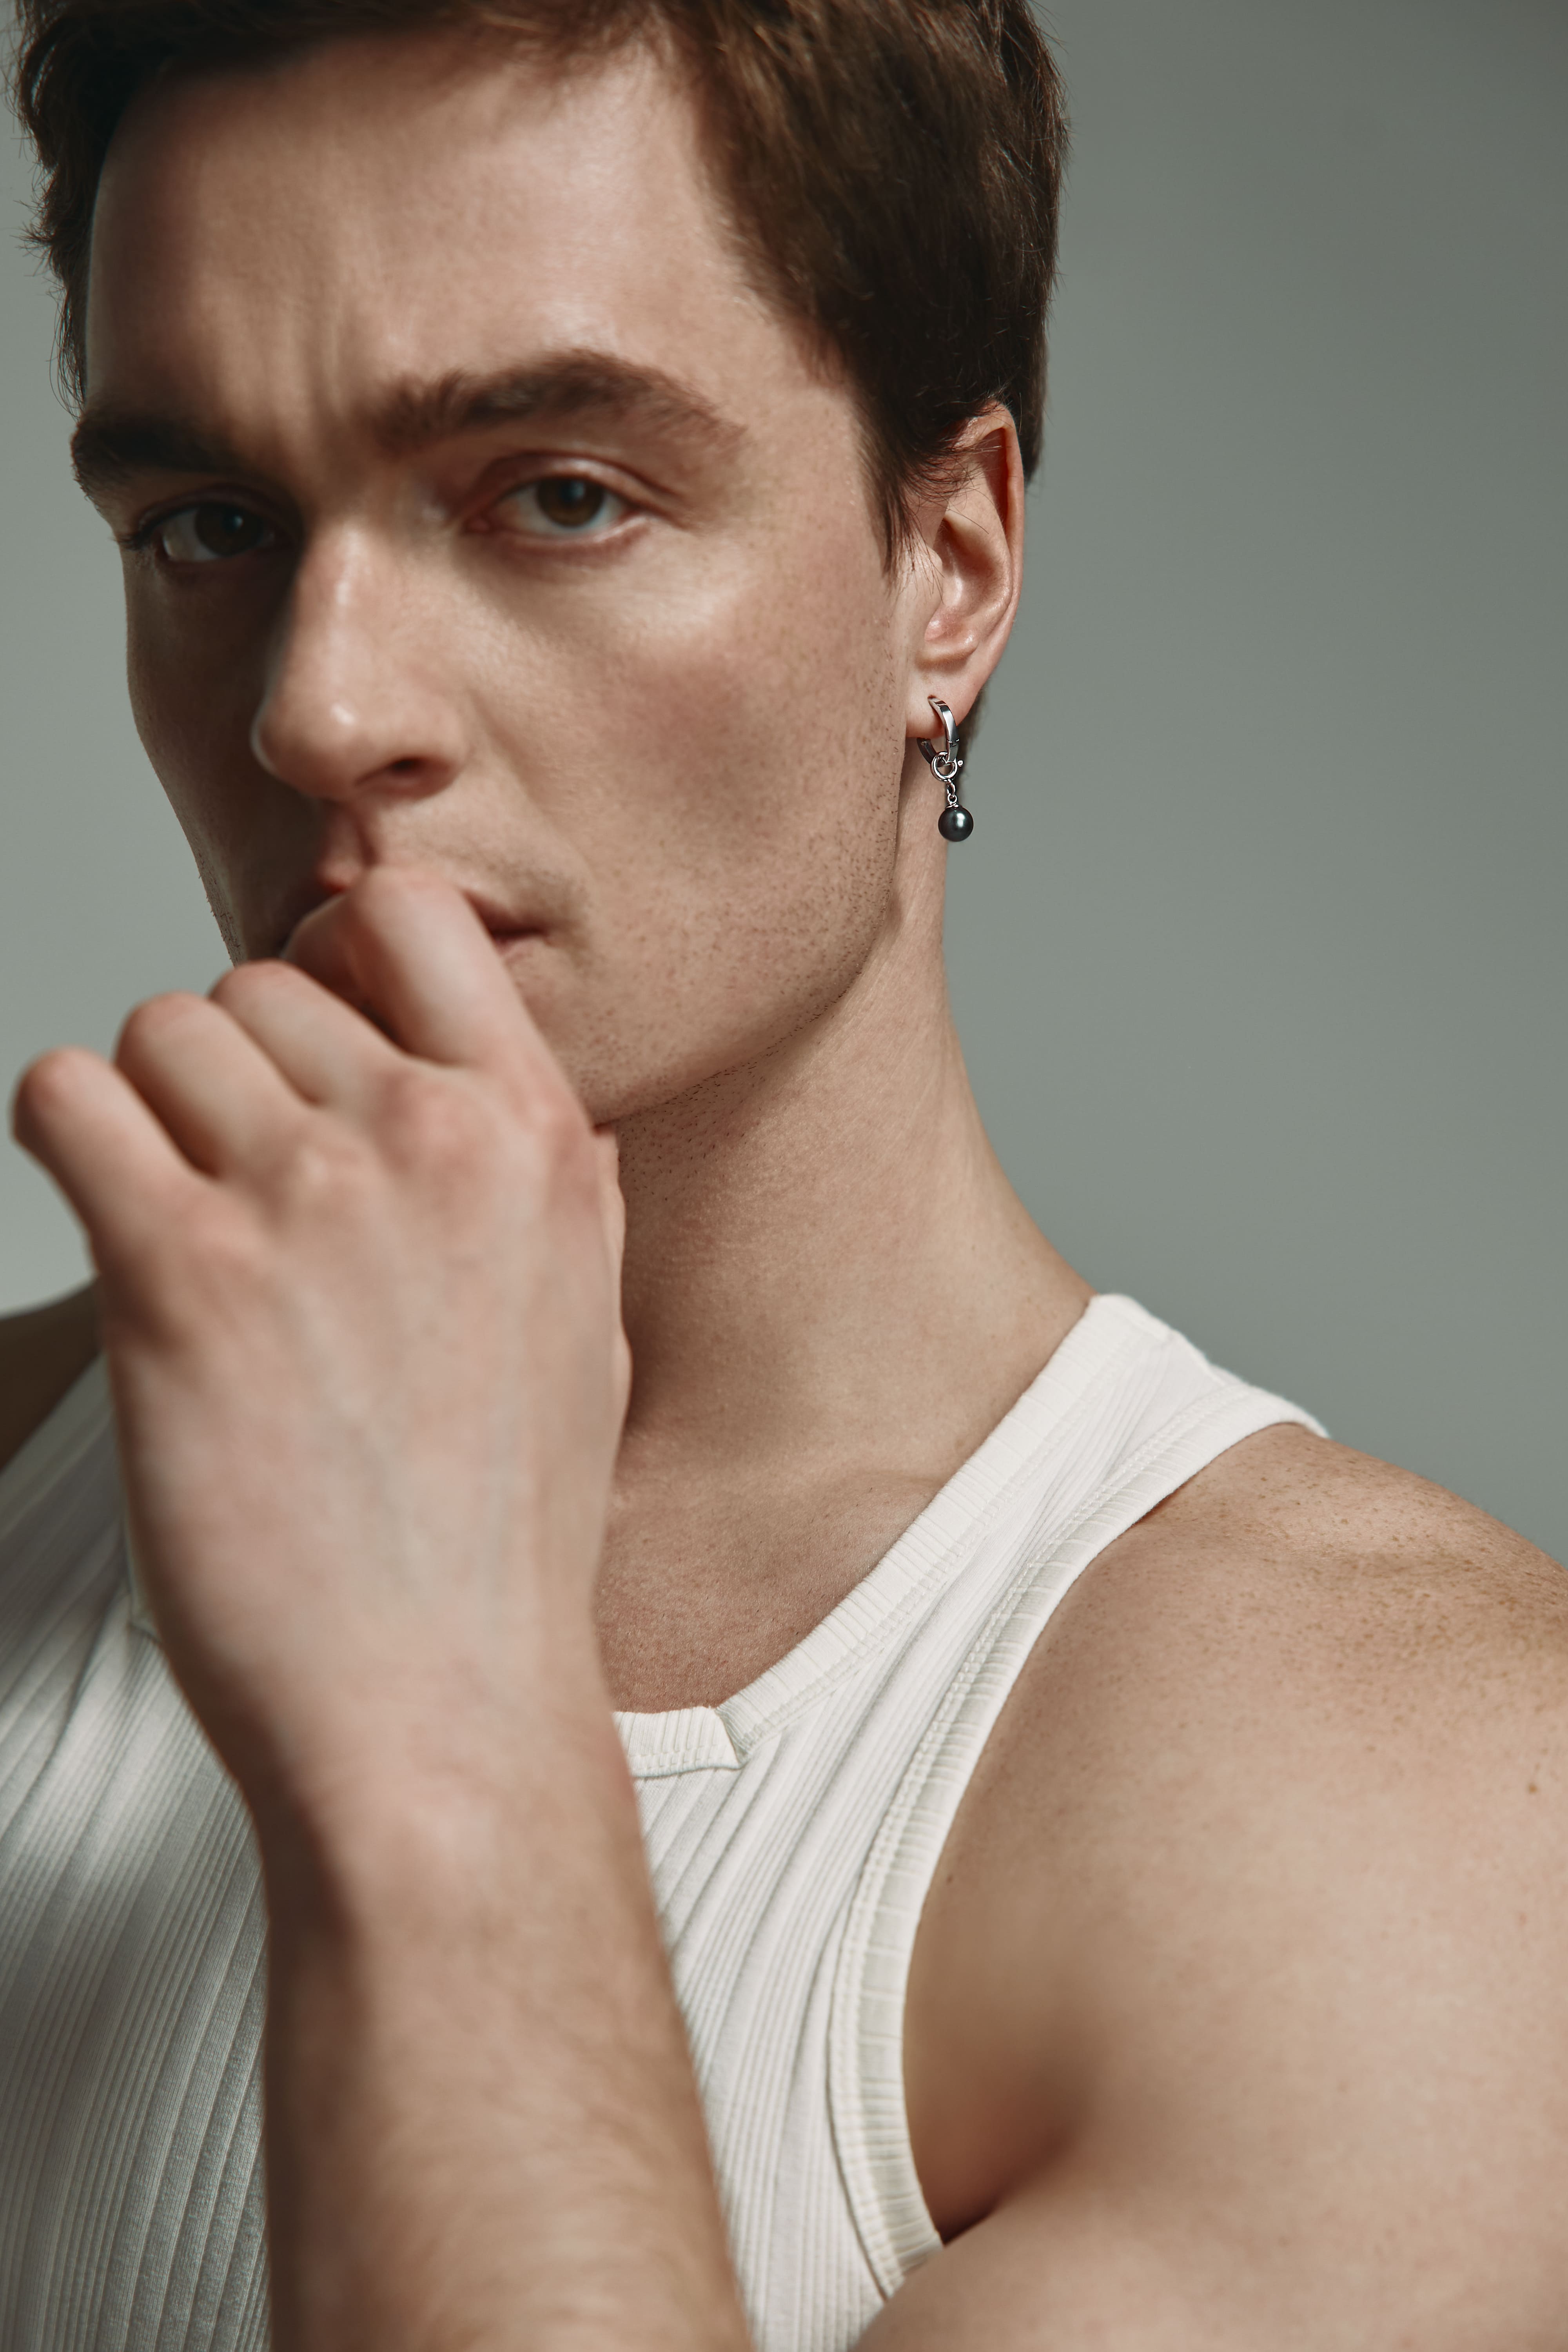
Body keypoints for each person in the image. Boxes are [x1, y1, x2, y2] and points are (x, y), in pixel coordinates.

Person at [2, 1, 1565, 2345]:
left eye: (558, 494)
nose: (318, 707)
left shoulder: (1424, 1824)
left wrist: (443, 1743)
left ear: (950, 563)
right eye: (208, 524)